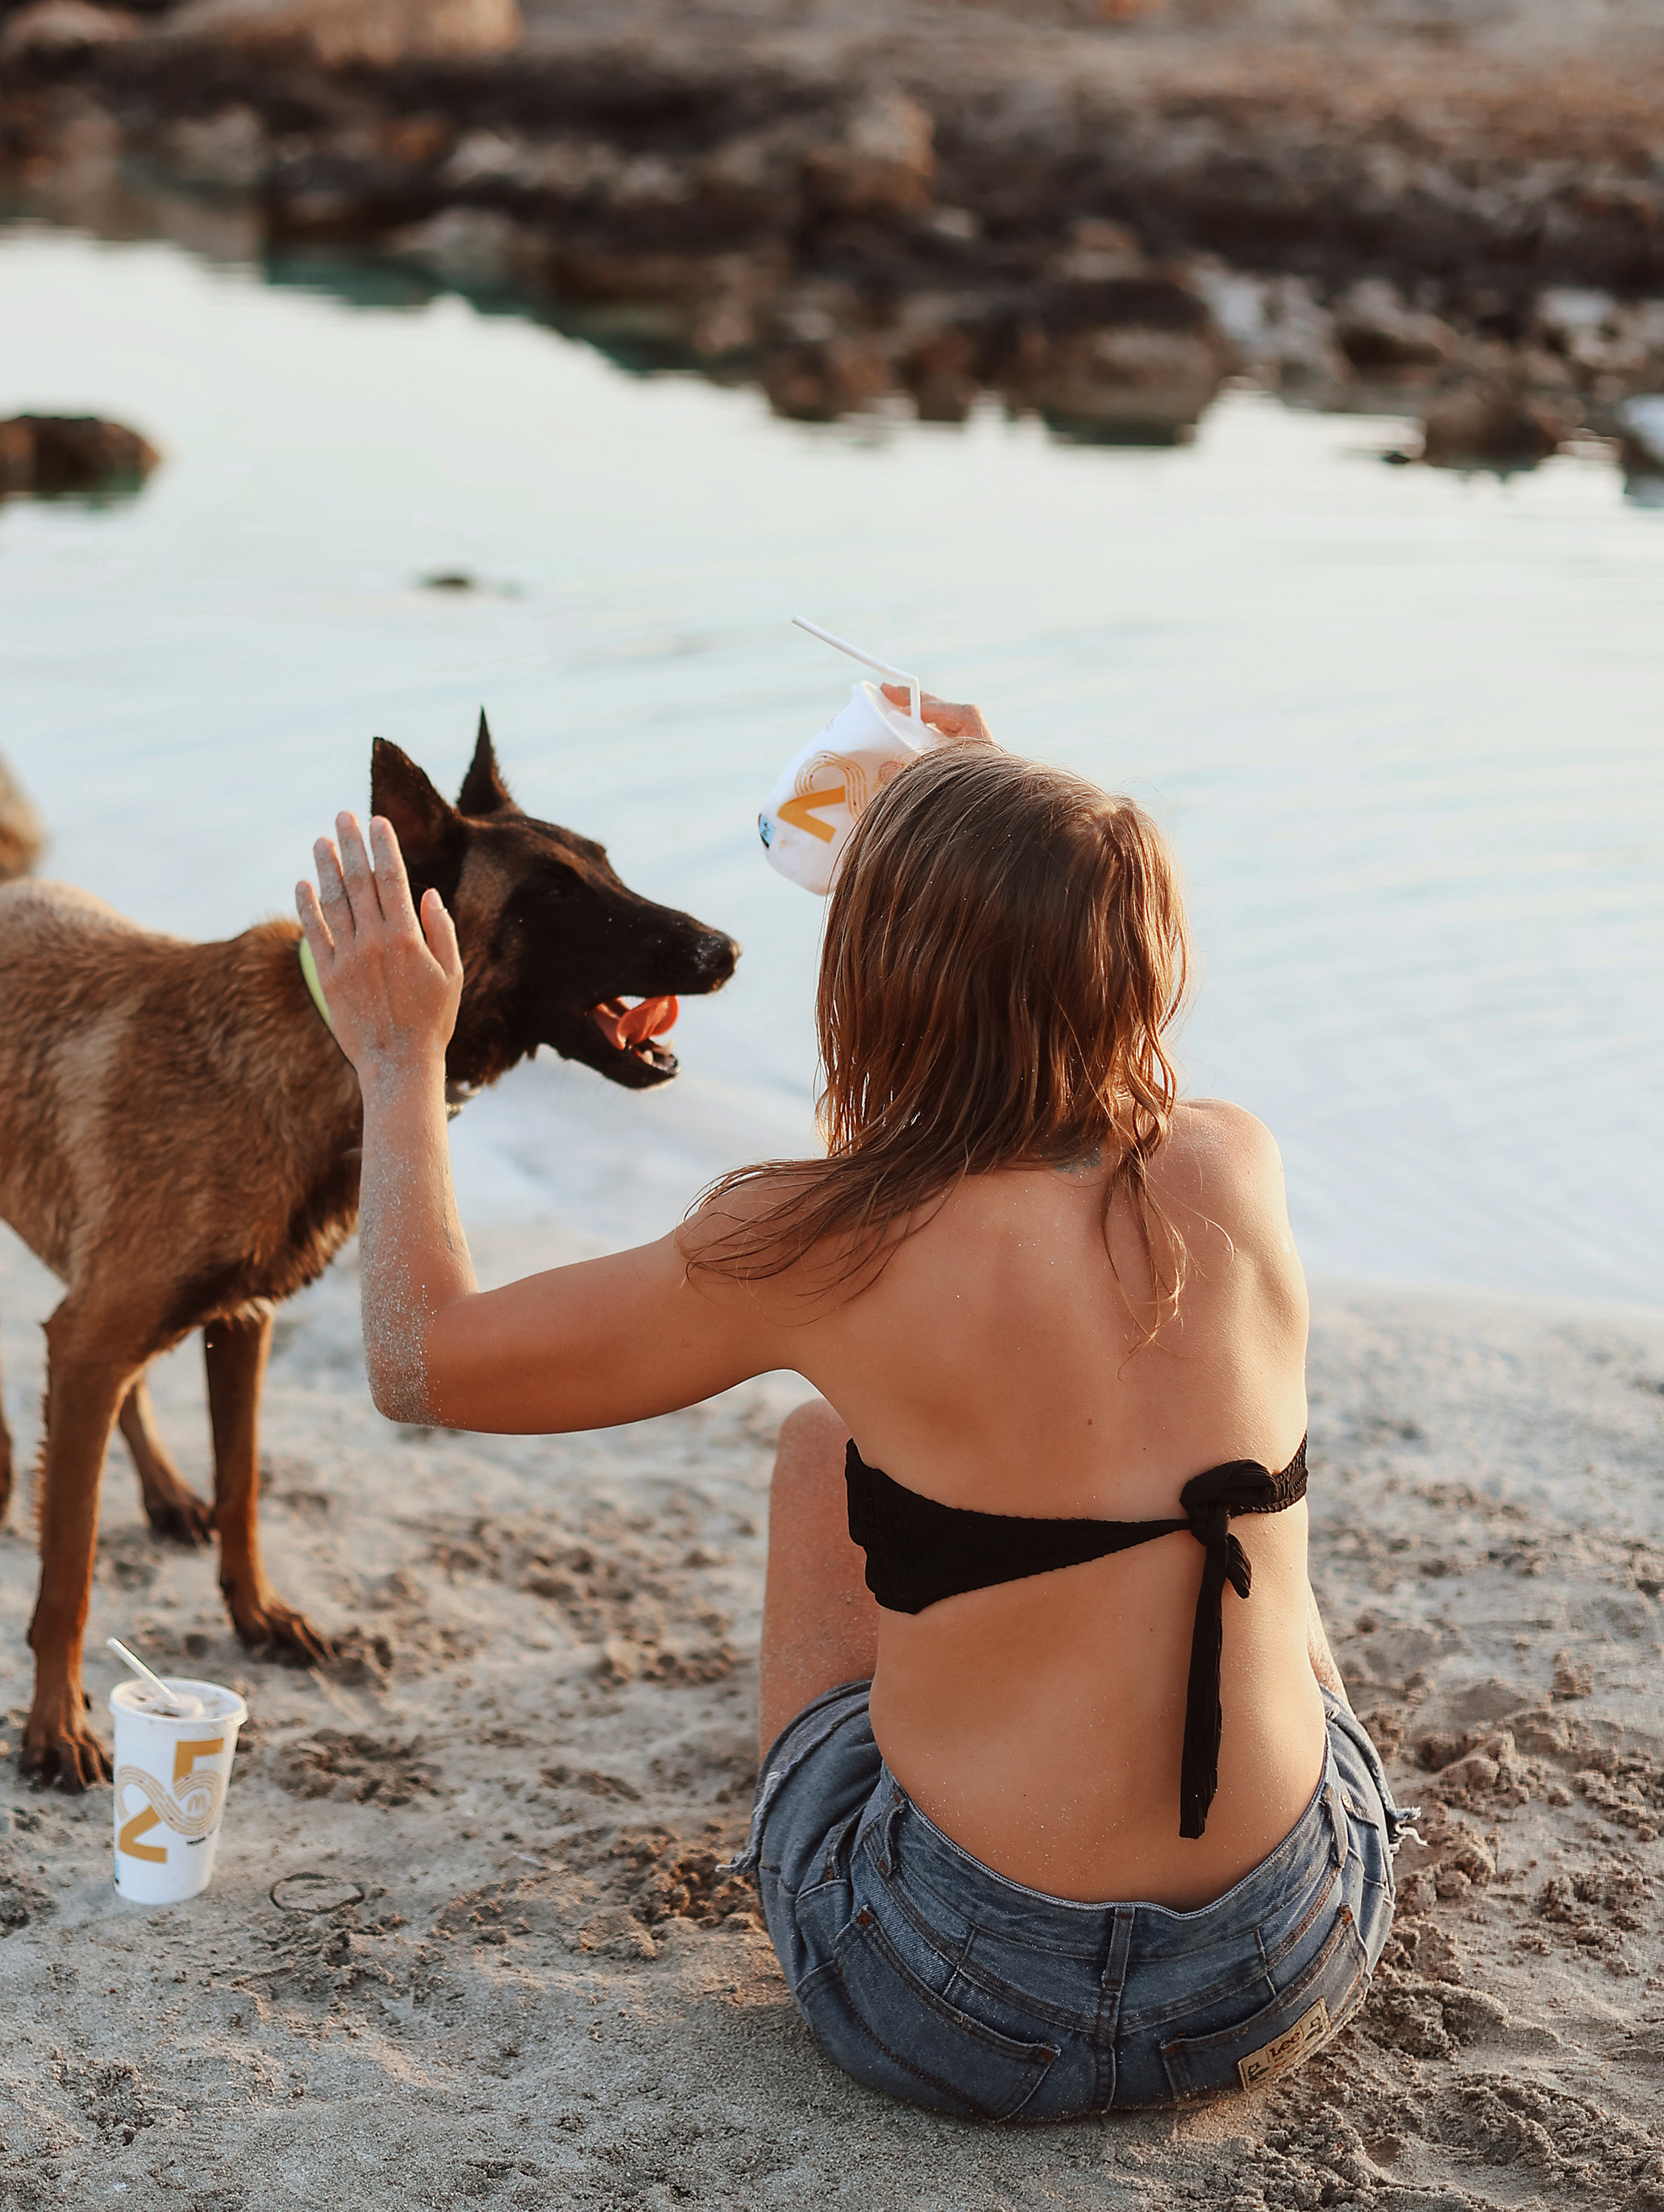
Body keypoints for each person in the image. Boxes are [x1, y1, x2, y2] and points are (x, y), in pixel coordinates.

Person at [295, 693, 1402, 2123]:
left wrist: (398, 1058)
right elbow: (1063, 1003)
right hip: (1278, 1965)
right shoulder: (1230, 1164)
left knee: (827, 1450)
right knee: (1228, 1476)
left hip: (970, 2001)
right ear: (1143, 963)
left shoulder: (822, 1244)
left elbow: (421, 1358)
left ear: (882, 977)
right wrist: (1000, 821)